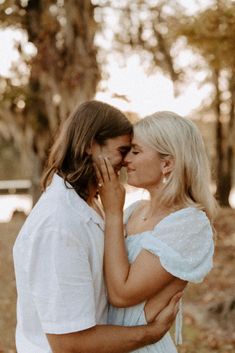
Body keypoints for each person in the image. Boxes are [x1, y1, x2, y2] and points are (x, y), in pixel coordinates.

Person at [13, 101, 182, 353]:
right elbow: (69, 343)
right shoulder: (59, 224)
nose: (126, 162)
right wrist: (151, 333)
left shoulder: (89, 205)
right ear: (90, 146)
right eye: (122, 150)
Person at [95, 111, 217, 353]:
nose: (126, 159)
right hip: (108, 342)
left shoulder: (188, 224)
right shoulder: (134, 210)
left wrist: (113, 213)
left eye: (136, 151)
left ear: (167, 163)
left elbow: (122, 294)